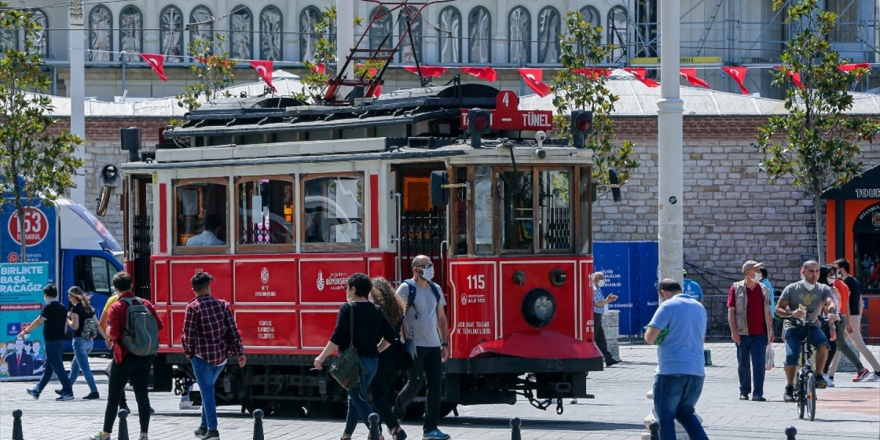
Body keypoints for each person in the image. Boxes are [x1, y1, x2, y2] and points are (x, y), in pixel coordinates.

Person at [315, 273, 396, 440]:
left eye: (347, 288)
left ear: (353, 289)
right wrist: (377, 350)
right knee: (354, 398)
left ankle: (377, 433)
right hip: (372, 363)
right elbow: (391, 335)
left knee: (358, 399)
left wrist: (321, 357)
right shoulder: (376, 310)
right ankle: (346, 435)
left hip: (353, 365)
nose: (346, 291)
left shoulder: (347, 308)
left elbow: (337, 337)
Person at [90, 272, 163, 440]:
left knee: (114, 397)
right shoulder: (145, 303)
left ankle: (106, 433)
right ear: (131, 285)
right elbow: (159, 325)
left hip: (124, 357)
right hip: (144, 356)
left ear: (115, 288)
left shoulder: (117, 306)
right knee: (142, 396)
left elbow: (115, 334)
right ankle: (144, 434)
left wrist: (109, 331)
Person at [183, 272, 246, 440]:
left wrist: (189, 353)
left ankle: (213, 430)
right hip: (220, 358)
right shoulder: (222, 305)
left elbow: (188, 335)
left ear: (193, 290)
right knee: (208, 390)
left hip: (201, 357)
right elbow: (233, 331)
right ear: (208, 287)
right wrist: (240, 353)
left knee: (207, 392)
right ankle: (203, 427)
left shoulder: (192, 307)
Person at [393, 256, 451, 440]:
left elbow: (441, 319)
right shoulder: (406, 288)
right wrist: (407, 341)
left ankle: (430, 429)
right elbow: (397, 317)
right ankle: (395, 412)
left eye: (431, 265)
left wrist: (445, 344)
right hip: (415, 345)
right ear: (415, 269)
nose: (430, 268)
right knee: (415, 383)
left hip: (433, 344)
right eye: (426, 266)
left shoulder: (436, 289)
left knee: (435, 387)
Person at [644, 279, 708, 440]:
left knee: (665, 418)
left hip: (671, 369)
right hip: (696, 370)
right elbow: (702, 338)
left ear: (663, 293)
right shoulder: (699, 307)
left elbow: (650, 338)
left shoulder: (667, 306)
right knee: (685, 413)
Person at [776, 261, 836, 401]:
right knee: (792, 356)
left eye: (817, 271)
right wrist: (792, 313)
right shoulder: (791, 288)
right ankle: (789, 387)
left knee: (823, 344)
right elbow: (778, 309)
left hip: (812, 325)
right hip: (793, 326)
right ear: (803, 272)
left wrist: (832, 313)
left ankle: (819, 375)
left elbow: (830, 302)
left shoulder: (823, 288)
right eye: (811, 271)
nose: (814, 274)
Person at [726, 260, 774, 401]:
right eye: (756, 270)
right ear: (747, 272)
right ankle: (744, 391)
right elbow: (731, 311)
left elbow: (768, 311)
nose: (759, 273)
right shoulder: (736, 288)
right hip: (742, 333)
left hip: (760, 333)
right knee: (743, 363)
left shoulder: (764, 289)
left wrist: (771, 330)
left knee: (759, 364)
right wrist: (734, 331)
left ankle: (758, 393)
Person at [18, 284, 75, 400]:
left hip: (52, 341)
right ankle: (37, 390)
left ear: (46, 294)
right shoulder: (62, 307)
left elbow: (38, 321)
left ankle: (68, 391)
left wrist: (25, 331)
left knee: (58, 367)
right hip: (60, 340)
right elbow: (65, 324)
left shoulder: (49, 306)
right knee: (48, 368)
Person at [369, 277, 409, 440]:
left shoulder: (377, 311)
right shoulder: (397, 309)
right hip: (395, 358)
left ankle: (395, 428)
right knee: (381, 395)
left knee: (376, 396)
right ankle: (376, 432)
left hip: (380, 357)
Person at [834, 259, 880, 382]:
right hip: (854, 317)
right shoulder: (855, 281)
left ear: (841, 269)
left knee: (859, 346)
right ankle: (830, 374)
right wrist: (858, 318)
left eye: (836, 268)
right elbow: (860, 301)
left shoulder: (846, 283)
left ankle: (877, 370)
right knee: (839, 345)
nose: (834, 272)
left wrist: (849, 321)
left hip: (849, 318)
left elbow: (847, 304)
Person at [821, 263, 866, 386]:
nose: (832, 276)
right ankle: (827, 374)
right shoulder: (837, 285)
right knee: (836, 346)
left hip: (837, 319)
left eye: (833, 273)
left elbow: (842, 305)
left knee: (838, 346)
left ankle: (827, 373)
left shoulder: (838, 286)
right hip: (832, 320)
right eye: (830, 274)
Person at [59, 286, 103, 399]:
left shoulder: (75, 309)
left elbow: (75, 326)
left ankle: (94, 391)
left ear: (74, 296)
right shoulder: (88, 307)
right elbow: (97, 324)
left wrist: (67, 319)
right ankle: (66, 388)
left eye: (69, 296)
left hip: (79, 341)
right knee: (75, 366)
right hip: (89, 342)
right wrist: (106, 337)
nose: (69, 298)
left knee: (85, 368)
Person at [592, 272, 620, 367]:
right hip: (594, 315)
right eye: (601, 279)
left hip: (597, 315)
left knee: (601, 339)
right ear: (595, 279)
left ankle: (609, 359)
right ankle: (592, 359)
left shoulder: (597, 288)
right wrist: (608, 300)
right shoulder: (594, 289)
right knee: (594, 338)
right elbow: (598, 304)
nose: (603, 281)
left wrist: (607, 299)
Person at [759, 267, 783, 341]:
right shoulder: (764, 283)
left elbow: (765, 299)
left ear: (761, 274)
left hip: (767, 313)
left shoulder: (765, 284)